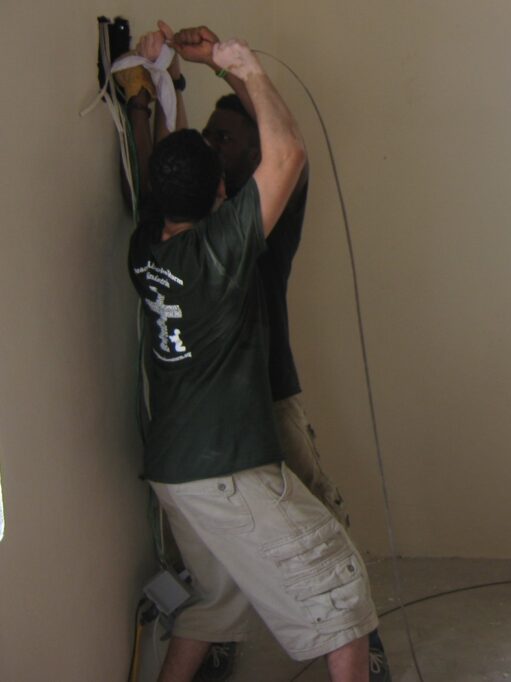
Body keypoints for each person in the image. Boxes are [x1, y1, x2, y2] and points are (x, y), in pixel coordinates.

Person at [128, 31, 377, 681]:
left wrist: (161, 87)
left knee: (216, 602)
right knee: (342, 594)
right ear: (218, 194)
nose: (217, 146)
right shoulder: (220, 248)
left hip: (174, 466)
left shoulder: (146, 250)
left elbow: (170, 175)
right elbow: (285, 151)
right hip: (226, 464)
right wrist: (237, 64)